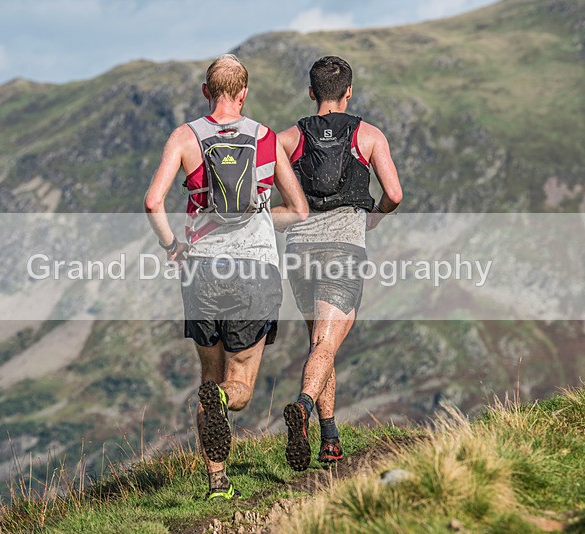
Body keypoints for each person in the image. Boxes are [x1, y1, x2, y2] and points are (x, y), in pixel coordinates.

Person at [145, 54, 308, 498]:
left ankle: (217, 481)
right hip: (255, 269)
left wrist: (171, 246)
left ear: (206, 92)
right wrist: (259, 217)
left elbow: (152, 202)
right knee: (239, 386)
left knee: (208, 376)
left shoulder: (185, 136)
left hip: (201, 269)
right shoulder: (265, 138)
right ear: (244, 93)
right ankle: (223, 401)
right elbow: (298, 210)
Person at [278, 56, 403, 471]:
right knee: (326, 345)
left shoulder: (287, 139)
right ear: (349, 92)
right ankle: (303, 406)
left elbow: (260, 184)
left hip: (298, 251)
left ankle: (329, 439)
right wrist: (373, 218)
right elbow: (395, 194)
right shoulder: (368, 136)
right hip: (343, 250)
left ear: (311, 92)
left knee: (319, 343)